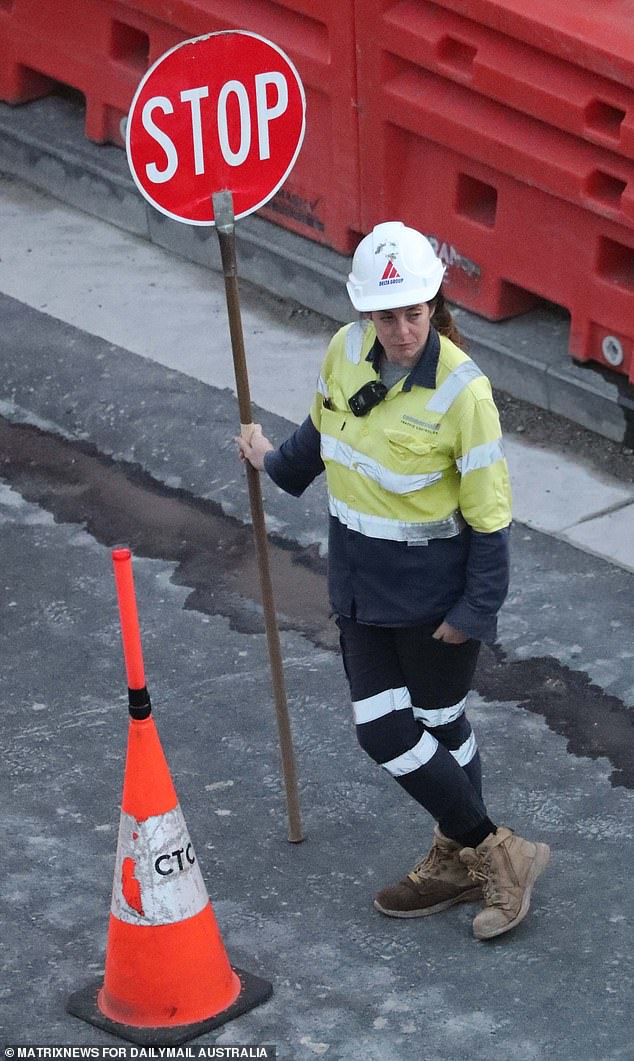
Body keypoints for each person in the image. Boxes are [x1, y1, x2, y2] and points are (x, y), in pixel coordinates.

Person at [236, 220, 550, 941]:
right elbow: (322, 435)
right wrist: (269, 459)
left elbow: (491, 514)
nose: (401, 328)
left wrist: (476, 608)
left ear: (433, 306)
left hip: (435, 595)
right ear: (363, 314)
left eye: (414, 311)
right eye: (386, 314)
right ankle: (495, 851)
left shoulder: (465, 393)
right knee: (384, 728)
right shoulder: (345, 353)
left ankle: (468, 852)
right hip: (359, 584)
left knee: (435, 722)